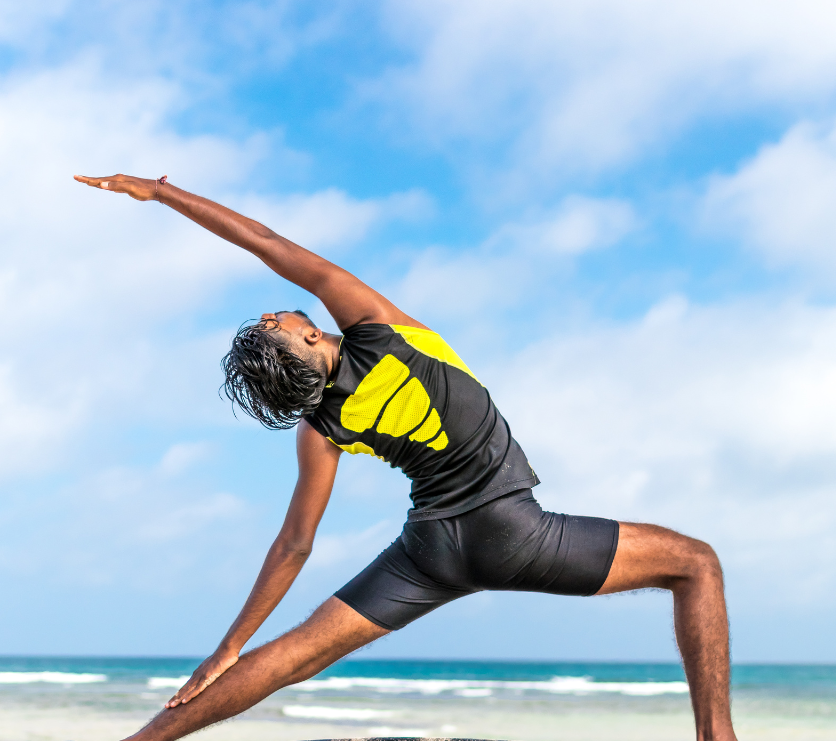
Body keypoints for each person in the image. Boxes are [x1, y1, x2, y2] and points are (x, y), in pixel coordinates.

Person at [74, 173, 740, 741]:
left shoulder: (321, 427)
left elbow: (294, 545)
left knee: (294, 655)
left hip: (431, 552)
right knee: (695, 562)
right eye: (273, 321)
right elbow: (267, 243)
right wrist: (161, 193)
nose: (273, 314)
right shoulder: (378, 328)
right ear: (309, 334)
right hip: (514, 530)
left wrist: (228, 645)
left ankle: (142, 740)